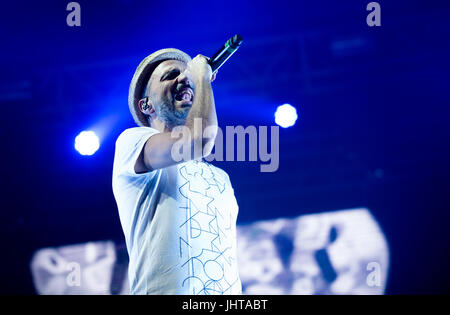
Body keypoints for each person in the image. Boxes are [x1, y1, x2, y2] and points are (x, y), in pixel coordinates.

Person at [112, 48, 242, 295]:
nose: (184, 78)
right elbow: (199, 140)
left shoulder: (220, 179)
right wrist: (201, 78)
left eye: (187, 74)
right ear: (146, 105)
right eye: (170, 75)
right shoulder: (133, 142)